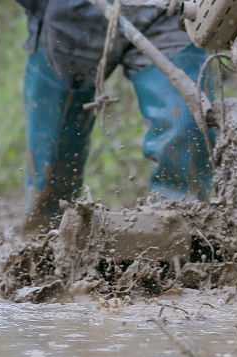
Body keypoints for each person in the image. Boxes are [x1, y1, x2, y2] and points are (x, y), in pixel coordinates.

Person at [15, 0, 214, 238]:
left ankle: (174, 239)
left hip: (168, 13)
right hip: (67, 16)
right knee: (50, 160)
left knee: (187, 126)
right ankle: (42, 248)